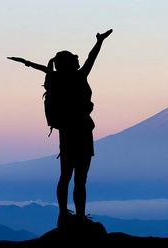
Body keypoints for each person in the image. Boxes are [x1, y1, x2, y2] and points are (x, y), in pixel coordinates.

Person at [8, 29, 112, 228]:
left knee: (65, 176)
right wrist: (99, 42)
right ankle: (79, 216)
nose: (78, 62)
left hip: (66, 133)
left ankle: (63, 213)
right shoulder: (80, 77)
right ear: (71, 64)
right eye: (74, 60)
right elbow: (92, 58)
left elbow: (45, 70)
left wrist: (27, 63)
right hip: (82, 131)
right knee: (81, 178)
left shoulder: (56, 80)